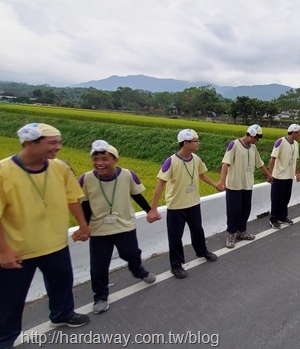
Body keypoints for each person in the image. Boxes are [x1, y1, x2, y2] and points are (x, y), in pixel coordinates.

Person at [1, 123, 91, 348]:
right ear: (30, 143)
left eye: (59, 142)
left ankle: (62, 314)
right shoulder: (3, 172)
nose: (58, 147)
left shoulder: (59, 168)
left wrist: (83, 225)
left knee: (62, 283)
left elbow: (72, 198)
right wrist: (4, 250)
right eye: (52, 143)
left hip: (55, 243)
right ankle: (5, 339)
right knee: (10, 300)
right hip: (19, 250)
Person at [79, 140, 157, 315]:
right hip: (99, 229)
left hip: (124, 225)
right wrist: (84, 227)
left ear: (115, 159)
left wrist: (149, 211)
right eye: (96, 159)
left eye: (105, 158)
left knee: (131, 253)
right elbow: (84, 204)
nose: (100, 163)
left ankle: (138, 270)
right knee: (99, 264)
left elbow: (137, 195)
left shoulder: (128, 175)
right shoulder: (86, 179)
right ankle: (100, 296)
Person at [147, 129, 219, 279]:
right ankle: (176, 264)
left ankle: (202, 251)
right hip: (176, 207)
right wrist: (153, 208)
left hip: (193, 203)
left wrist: (215, 184)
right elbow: (160, 185)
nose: (198, 143)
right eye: (196, 141)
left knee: (197, 230)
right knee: (175, 236)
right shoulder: (171, 161)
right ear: (186, 143)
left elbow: (202, 175)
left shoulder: (196, 159)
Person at [219, 124, 273, 247]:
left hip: (247, 184)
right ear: (250, 135)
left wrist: (268, 175)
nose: (256, 141)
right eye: (256, 138)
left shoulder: (253, 148)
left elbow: (259, 164)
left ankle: (241, 231)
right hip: (234, 185)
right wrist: (222, 181)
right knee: (234, 211)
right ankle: (231, 234)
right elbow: (225, 163)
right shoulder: (234, 145)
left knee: (245, 209)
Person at [268, 124, 300, 229]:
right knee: (276, 198)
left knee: (286, 198)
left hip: (289, 176)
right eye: (299, 132)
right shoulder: (280, 142)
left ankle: (283, 217)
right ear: (294, 132)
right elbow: (273, 158)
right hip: (279, 176)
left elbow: (296, 160)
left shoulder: (296, 144)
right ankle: (273, 219)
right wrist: (270, 174)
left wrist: (297, 173)